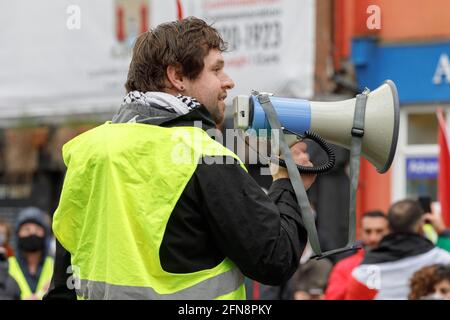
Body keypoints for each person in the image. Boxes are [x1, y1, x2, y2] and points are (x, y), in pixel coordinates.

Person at [45, 17, 315, 300]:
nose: (229, 81)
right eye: (217, 70)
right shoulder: (206, 154)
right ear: (177, 77)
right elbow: (274, 258)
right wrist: (288, 183)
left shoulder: (88, 151)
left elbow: (63, 286)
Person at [346, 199, 450, 300]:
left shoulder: (363, 272)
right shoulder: (441, 260)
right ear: (420, 225)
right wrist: (443, 232)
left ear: (388, 227)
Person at [325, 210, 389, 300]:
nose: (373, 238)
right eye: (368, 231)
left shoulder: (399, 262)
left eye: (379, 231)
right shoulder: (343, 266)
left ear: (389, 232)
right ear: (360, 233)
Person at [8, 207, 54, 300]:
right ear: (18, 235)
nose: (32, 233)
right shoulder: (6, 266)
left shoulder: (55, 265)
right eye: (26, 229)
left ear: (45, 234)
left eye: (37, 229)